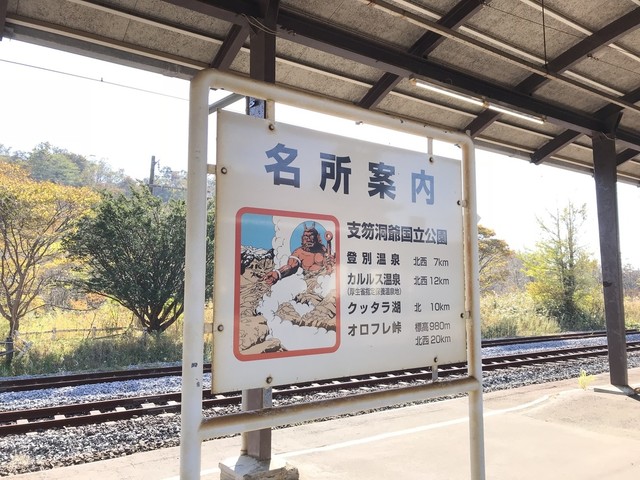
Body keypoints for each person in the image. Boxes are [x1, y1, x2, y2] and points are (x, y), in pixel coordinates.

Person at [263, 223, 335, 285]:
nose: (308, 239)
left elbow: (331, 264)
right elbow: (291, 266)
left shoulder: (323, 250)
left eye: (311, 236)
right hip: (306, 285)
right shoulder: (298, 253)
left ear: (317, 237)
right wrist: (278, 273)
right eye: (306, 237)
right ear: (302, 238)